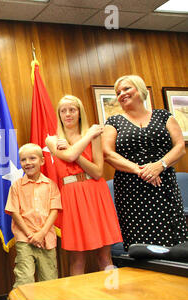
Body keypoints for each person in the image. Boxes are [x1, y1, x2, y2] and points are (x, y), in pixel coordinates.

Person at [103, 75, 187, 251]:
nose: (122, 94)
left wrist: (159, 165)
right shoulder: (113, 122)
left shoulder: (164, 116)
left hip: (164, 188)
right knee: (139, 247)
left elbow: (179, 147)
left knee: (173, 245)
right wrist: (140, 170)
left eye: (126, 89)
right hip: (130, 191)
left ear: (140, 89)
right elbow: (107, 154)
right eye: (118, 92)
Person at [46, 95, 123, 276]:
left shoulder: (94, 136)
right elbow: (68, 157)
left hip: (95, 192)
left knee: (105, 256)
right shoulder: (53, 139)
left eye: (72, 109)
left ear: (80, 112)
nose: (68, 114)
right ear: (59, 115)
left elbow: (97, 171)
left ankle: (112, 293)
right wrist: (85, 138)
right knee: (77, 259)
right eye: (63, 111)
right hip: (71, 195)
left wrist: (75, 146)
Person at [5, 143, 61, 287]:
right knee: (25, 279)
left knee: (49, 280)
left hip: (46, 239)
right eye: (23, 160)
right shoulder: (16, 186)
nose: (28, 163)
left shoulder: (51, 185)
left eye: (32, 158)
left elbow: (54, 211)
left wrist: (41, 233)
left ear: (42, 161)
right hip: (25, 239)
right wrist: (30, 234)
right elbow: (14, 212)